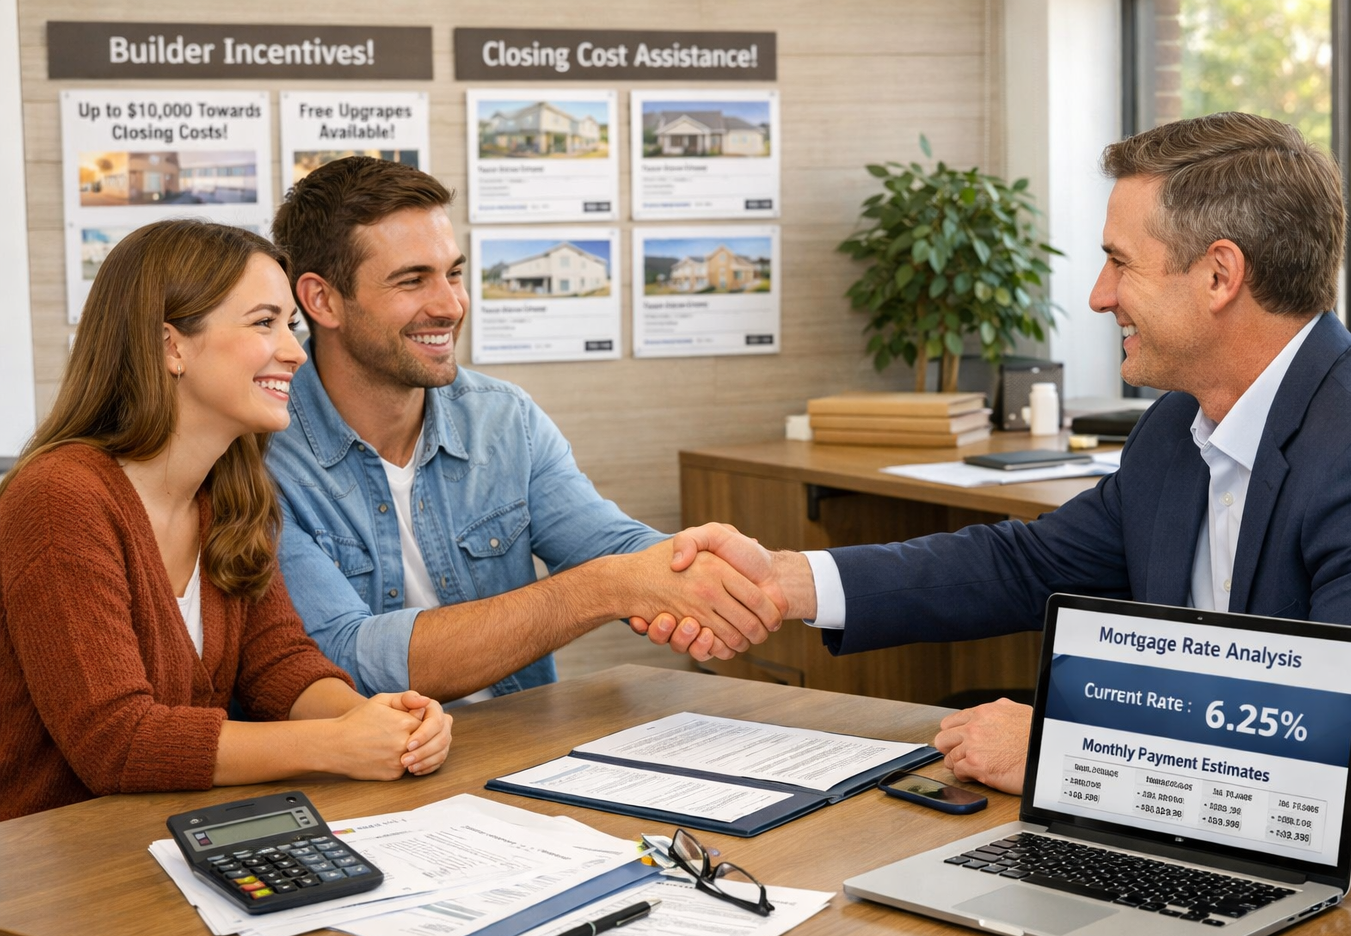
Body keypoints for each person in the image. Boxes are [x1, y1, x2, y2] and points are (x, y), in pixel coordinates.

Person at [649, 112, 1351, 841]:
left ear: (1221, 274)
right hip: (1232, 841)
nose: (1098, 297)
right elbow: (1028, 565)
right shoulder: (1179, 428)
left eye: (1120, 262)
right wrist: (793, 582)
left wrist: (1059, 749)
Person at [265, 157, 781, 705]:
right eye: (412, 281)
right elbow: (344, 658)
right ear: (321, 300)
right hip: (362, 772)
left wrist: (705, 571)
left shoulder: (503, 417)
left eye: (454, 273)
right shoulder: (259, 453)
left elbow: (609, 544)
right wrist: (609, 586)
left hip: (517, 746)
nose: (451, 305)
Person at [0, 220, 453, 822]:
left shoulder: (233, 492)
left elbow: (280, 667)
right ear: (171, 346)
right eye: (265, 323)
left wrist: (376, 720)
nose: (295, 350)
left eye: (289, 325)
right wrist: (336, 745)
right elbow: (116, 742)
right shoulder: (58, 499)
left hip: (169, 839)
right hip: (55, 875)